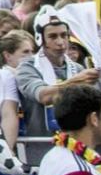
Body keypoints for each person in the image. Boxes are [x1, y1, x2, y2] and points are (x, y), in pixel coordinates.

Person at [15, 8, 93, 137]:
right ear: (40, 39)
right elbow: (44, 96)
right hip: (40, 144)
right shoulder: (27, 67)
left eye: (64, 35)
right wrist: (78, 81)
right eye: (53, 37)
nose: (60, 42)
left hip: (75, 140)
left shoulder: (78, 69)